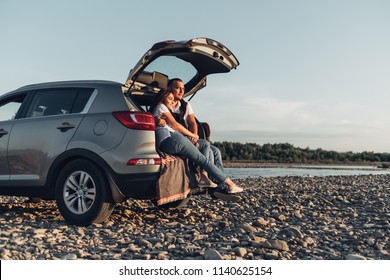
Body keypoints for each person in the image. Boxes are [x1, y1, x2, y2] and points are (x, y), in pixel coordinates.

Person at [150, 89, 243, 194]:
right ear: (162, 98)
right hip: (171, 139)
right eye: (170, 99)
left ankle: (205, 177)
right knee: (202, 160)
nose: (172, 102)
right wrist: (192, 135)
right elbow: (175, 125)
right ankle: (230, 184)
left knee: (204, 144)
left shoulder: (159, 110)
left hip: (173, 139)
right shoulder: (161, 106)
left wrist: (191, 137)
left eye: (173, 99)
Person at [167, 78, 225, 177]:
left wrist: (194, 136)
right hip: (178, 139)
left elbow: (192, 122)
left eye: (183, 88)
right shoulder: (165, 104)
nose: (181, 91)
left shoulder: (185, 105)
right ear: (169, 88)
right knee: (209, 151)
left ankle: (219, 184)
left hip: (189, 137)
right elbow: (174, 126)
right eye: (178, 88)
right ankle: (206, 179)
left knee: (216, 151)